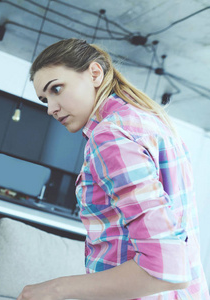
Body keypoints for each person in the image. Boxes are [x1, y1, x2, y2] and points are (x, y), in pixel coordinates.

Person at [18, 38, 210, 300]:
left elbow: (167, 268)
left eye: (57, 89)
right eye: (44, 99)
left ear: (95, 73)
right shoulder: (152, 123)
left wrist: (52, 289)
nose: (51, 108)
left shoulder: (110, 136)